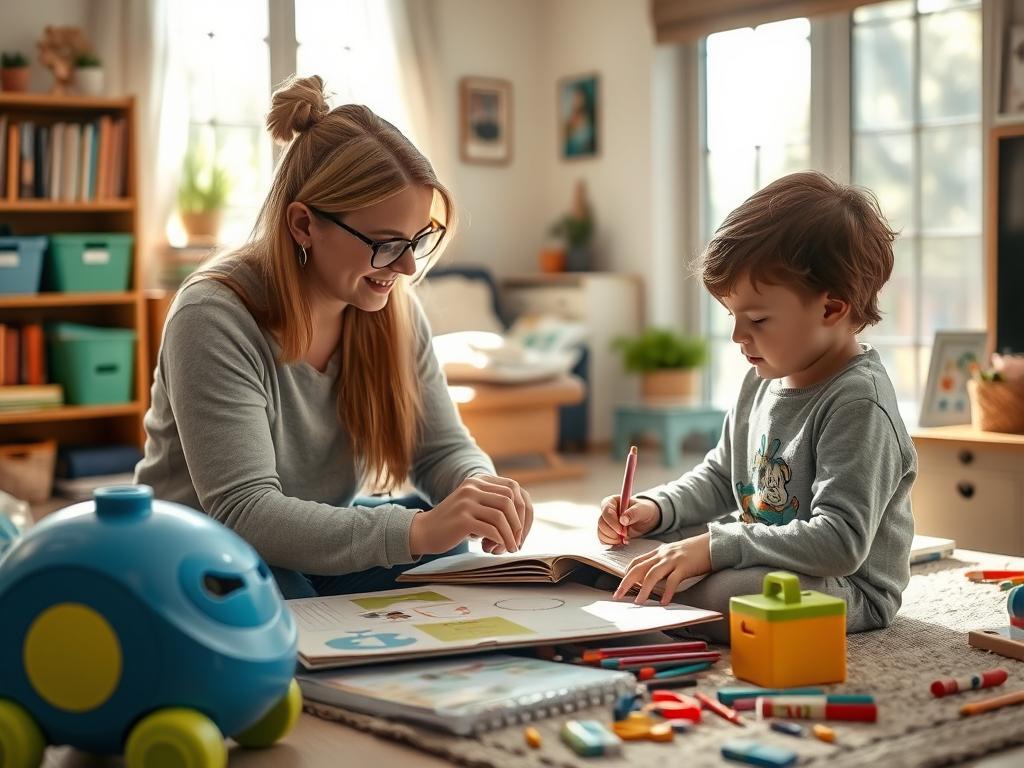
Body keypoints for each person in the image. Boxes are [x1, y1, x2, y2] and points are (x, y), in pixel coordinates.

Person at [136, 75, 533, 598]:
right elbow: (245, 512)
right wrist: (417, 531)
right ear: (303, 224)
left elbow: (440, 449)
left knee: (445, 546)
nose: (409, 266)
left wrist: (479, 491)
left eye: (418, 240)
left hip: (299, 542)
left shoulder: (391, 308)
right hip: (201, 551)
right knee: (291, 591)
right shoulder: (212, 316)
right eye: (388, 244)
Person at [597, 171, 916, 642]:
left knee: (732, 590)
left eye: (759, 319)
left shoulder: (859, 403)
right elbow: (721, 476)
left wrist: (711, 548)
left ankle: (667, 597)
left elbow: (840, 543)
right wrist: (656, 508)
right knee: (644, 549)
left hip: (844, 585)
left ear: (832, 309)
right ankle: (662, 585)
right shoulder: (759, 379)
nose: (737, 337)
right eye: (732, 316)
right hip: (769, 551)